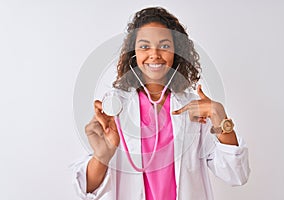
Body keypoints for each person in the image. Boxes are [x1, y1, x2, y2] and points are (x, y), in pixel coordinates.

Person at [72, 6, 250, 200]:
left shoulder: (193, 107)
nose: (154, 54)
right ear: (134, 53)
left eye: (164, 46)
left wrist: (220, 118)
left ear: (177, 52)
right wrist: (102, 156)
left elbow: (236, 175)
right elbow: (86, 188)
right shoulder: (115, 106)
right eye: (144, 46)